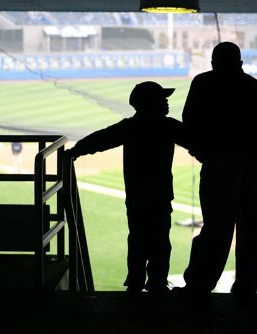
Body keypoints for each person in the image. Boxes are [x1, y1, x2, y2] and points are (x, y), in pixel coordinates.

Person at [174, 41, 257, 300]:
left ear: (213, 63)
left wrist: (204, 154)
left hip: (220, 165)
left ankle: (199, 285)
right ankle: (246, 288)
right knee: (254, 230)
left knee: (216, 228)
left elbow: (191, 123)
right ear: (241, 64)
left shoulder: (203, 83)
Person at [66, 81, 192, 295]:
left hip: (136, 196)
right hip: (160, 196)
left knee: (137, 239)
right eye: (162, 99)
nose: (166, 102)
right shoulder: (167, 125)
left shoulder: (132, 126)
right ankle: (156, 284)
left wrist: (76, 151)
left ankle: (135, 284)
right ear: (151, 103)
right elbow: (198, 142)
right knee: (160, 242)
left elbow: (101, 138)